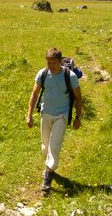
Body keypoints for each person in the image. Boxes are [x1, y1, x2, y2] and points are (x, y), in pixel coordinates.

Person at [26, 48, 83, 192]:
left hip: (61, 115)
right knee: (45, 147)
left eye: (53, 63)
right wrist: (29, 114)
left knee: (54, 145)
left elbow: (78, 97)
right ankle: (50, 165)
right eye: (48, 62)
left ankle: (47, 178)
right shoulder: (43, 74)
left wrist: (78, 117)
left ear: (60, 61)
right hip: (46, 113)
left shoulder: (69, 76)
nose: (50, 65)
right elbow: (34, 95)